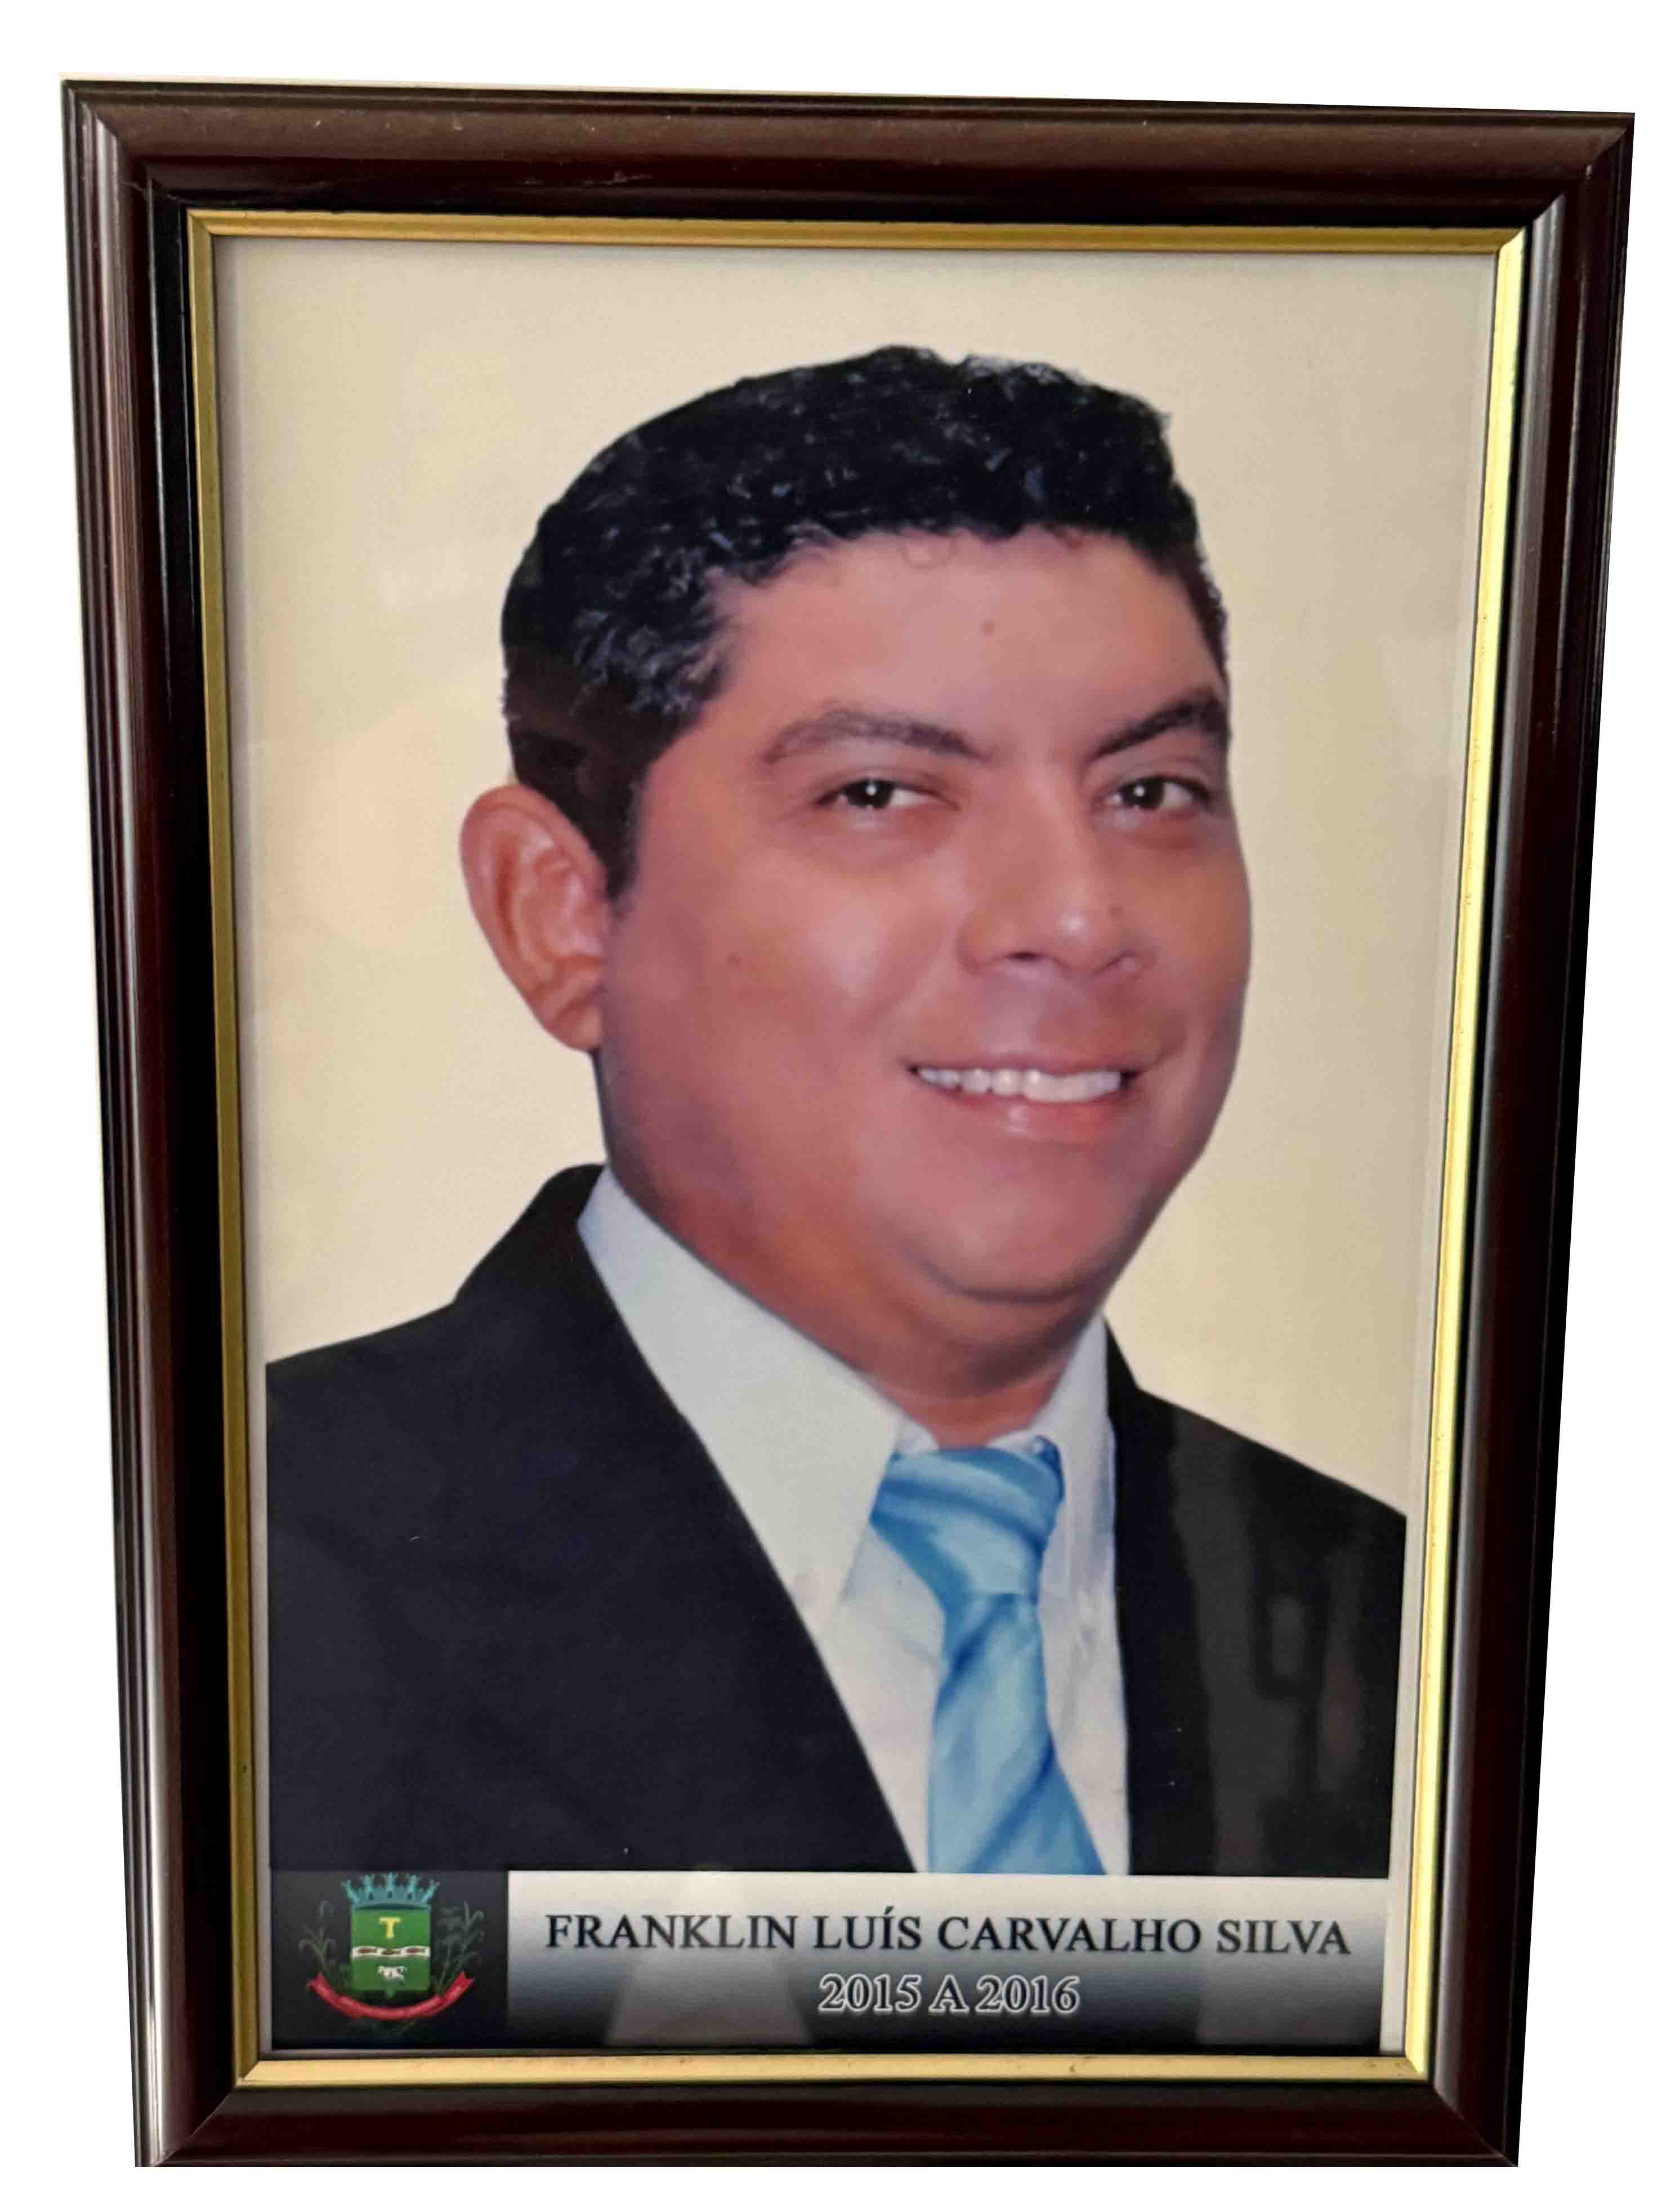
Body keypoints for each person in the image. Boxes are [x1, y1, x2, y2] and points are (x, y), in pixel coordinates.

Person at [268, 346, 1404, 1880]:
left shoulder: (1407, 1623)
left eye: (1149, 792)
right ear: (561, 916)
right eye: (880, 795)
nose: (1078, 919)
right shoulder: (231, 1577)